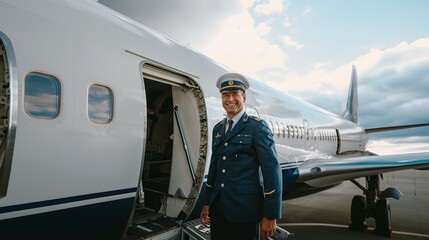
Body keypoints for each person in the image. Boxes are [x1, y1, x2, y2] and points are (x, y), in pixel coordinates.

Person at [200, 73, 282, 240]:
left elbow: (272, 171)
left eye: (235, 94)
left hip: (244, 210)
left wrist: (271, 214)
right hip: (219, 208)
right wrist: (207, 202)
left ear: (243, 97)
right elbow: (215, 168)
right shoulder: (218, 129)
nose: (230, 99)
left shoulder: (257, 127)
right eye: (225, 95)